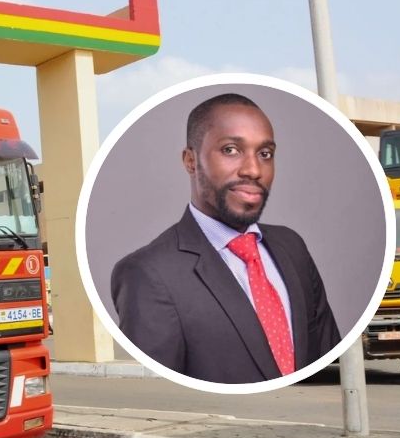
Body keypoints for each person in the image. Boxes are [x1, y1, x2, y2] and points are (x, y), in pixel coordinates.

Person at [110, 93, 340, 384]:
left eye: (265, 154)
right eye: (231, 150)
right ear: (191, 161)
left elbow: (328, 358)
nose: (253, 170)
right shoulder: (148, 273)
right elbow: (163, 395)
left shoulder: (291, 247)